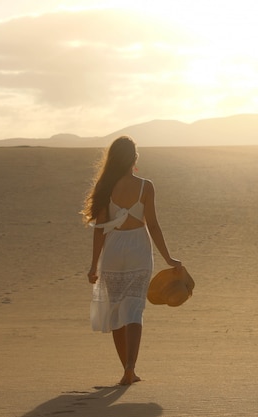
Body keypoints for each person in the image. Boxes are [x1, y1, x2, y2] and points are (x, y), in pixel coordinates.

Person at [82, 136, 181, 385]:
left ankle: (126, 369)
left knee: (116, 310)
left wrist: (94, 264)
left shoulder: (105, 187)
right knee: (134, 307)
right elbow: (154, 225)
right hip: (138, 249)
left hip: (114, 250)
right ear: (134, 158)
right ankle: (130, 368)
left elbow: (99, 229)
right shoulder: (146, 186)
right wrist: (168, 257)